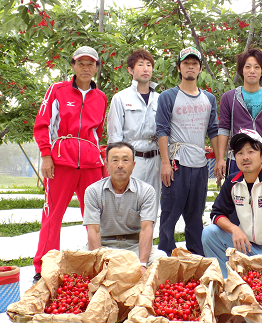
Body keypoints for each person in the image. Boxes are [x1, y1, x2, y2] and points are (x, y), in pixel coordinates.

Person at [32, 46, 107, 283]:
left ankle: (99, 264)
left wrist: (100, 160)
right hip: (60, 162)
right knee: (52, 215)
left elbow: (98, 133)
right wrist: (46, 155)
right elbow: (42, 124)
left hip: (91, 164)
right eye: (81, 63)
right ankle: (44, 267)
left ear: (96, 67)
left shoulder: (101, 97)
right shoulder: (57, 91)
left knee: (95, 216)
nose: (86, 68)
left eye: (91, 64)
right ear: (73, 66)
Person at [202, 129, 262, 277]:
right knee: (209, 234)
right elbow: (217, 214)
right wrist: (234, 229)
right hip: (247, 248)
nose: (245, 157)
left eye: (251, 151)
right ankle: (229, 282)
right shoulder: (232, 182)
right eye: (239, 153)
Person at [156, 46, 220, 257]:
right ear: (179, 67)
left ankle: (197, 260)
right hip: (177, 163)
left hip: (199, 164)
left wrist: (220, 159)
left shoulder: (208, 99)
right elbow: (162, 130)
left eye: (194, 63)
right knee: (169, 215)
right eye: (186, 63)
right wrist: (165, 163)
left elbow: (213, 130)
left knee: (195, 216)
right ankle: (165, 257)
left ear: (200, 68)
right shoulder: (168, 96)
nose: (190, 67)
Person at [83, 142, 164, 274]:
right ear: (107, 164)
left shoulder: (146, 191)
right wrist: (99, 264)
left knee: (161, 260)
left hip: (135, 246)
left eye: (125, 160)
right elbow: (93, 231)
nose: (120, 165)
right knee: (79, 264)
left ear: (133, 165)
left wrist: (142, 263)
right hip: (104, 245)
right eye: (114, 160)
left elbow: (146, 229)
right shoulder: (93, 191)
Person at [215, 48, 262, 181]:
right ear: (241, 70)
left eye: (256, 67)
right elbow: (223, 129)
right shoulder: (229, 97)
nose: (252, 71)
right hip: (236, 159)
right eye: (248, 66)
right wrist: (220, 159)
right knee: (236, 199)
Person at [107, 49, 161, 211]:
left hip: (156, 160)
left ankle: (148, 237)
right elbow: (115, 135)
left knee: (152, 206)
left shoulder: (160, 99)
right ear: (130, 70)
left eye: (149, 65)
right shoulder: (121, 98)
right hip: (132, 160)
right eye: (140, 65)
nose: (145, 69)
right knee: (128, 205)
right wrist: (117, 162)